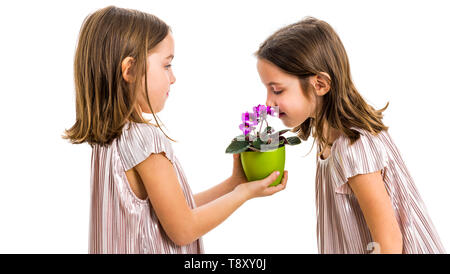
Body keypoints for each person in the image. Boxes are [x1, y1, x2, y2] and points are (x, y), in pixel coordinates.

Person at [63, 5, 287, 254]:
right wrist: (242, 194)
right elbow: (183, 229)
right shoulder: (145, 141)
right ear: (130, 69)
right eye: (166, 65)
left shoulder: (109, 142)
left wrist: (233, 185)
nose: (173, 77)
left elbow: (174, 212)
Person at [255, 16, 445, 254]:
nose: (268, 102)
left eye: (277, 90)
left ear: (321, 84)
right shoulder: (327, 137)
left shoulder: (354, 147)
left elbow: (389, 245)